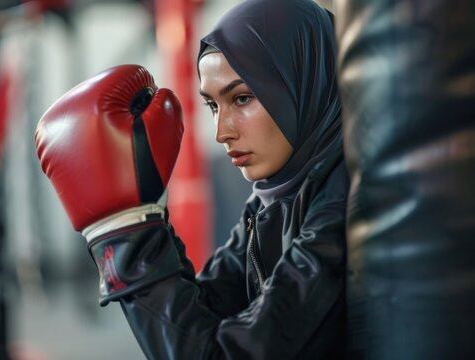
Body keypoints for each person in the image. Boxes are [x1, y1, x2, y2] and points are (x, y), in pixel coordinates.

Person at [35, 0, 350, 358]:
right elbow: (204, 310)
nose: (221, 132)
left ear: (303, 81)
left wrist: (124, 235)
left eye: (242, 98)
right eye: (213, 106)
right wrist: (141, 217)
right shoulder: (271, 202)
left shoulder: (340, 213)